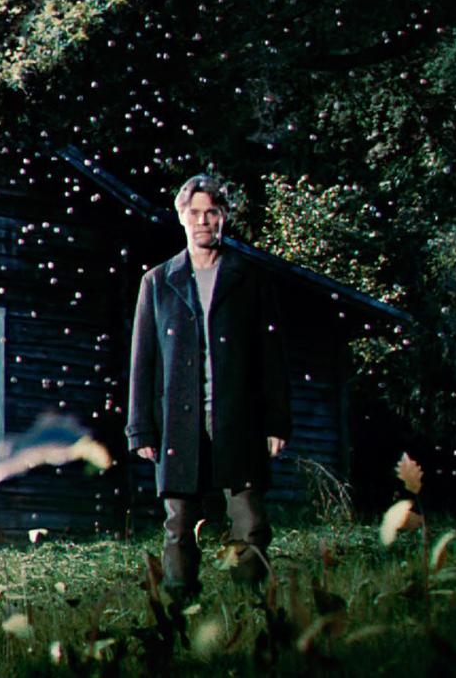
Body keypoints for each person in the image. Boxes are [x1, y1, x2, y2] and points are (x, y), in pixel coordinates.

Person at [125, 174, 291, 600]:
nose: (203, 221)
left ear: (224, 217)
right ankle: (180, 609)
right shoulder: (159, 282)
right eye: (195, 213)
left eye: (212, 212)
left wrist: (276, 421)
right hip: (179, 420)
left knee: (249, 520)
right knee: (180, 524)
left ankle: (252, 606)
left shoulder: (250, 278)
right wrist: (140, 428)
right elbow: (143, 360)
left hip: (239, 415)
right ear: (182, 217)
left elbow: (271, 356)